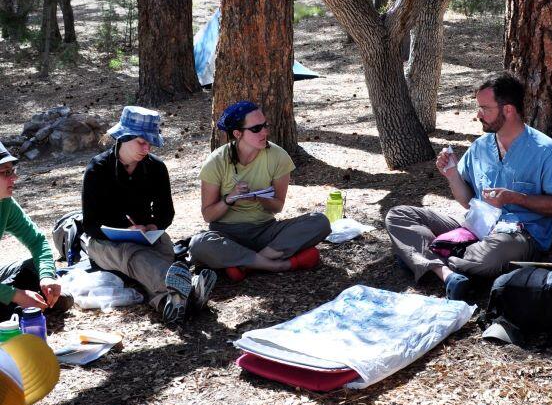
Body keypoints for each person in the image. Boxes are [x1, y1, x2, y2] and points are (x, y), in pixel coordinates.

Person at [385, 73, 552, 300]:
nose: (478, 115)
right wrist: (452, 175)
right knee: (399, 215)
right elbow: (467, 201)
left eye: (485, 108)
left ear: (508, 110)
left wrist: (515, 198)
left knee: (494, 252)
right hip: (475, 227)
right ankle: (446, 272)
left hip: (517, 235)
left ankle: (422, 256)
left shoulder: (544, 150)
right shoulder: (480, 147)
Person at [81, 107, 215, 325]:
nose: (147, 148)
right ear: (124, 137)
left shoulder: (156, 168)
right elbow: (91, 225)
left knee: (163, 249)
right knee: (135, 255)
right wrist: (124, 232)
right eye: (141, 142)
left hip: (148, 236)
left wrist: (154, 225)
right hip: (105, 243)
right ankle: (191, 288)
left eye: (150, 142)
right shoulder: (97, 169)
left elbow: (166, 212)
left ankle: (169, 304)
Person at [189, 101, 330, 277]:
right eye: (256, 129)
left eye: (265, 125)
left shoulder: (278, 156)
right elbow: (208, 215)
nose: (264, 132)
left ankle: (247, 264)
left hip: (266, 232)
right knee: (198, 244)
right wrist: (229, 198)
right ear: (237, 133)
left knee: (319, 221)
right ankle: (278, 265)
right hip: (227, 234)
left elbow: (277, 207)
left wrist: (258, 198)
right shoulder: (216, 161)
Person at [0, 144, 61, 314]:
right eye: (6, 172)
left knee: (35, 269)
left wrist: (47, 276)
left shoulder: (5, 204)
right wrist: (14, 295)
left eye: (13, 170)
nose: (15, 177)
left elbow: (37, 241)